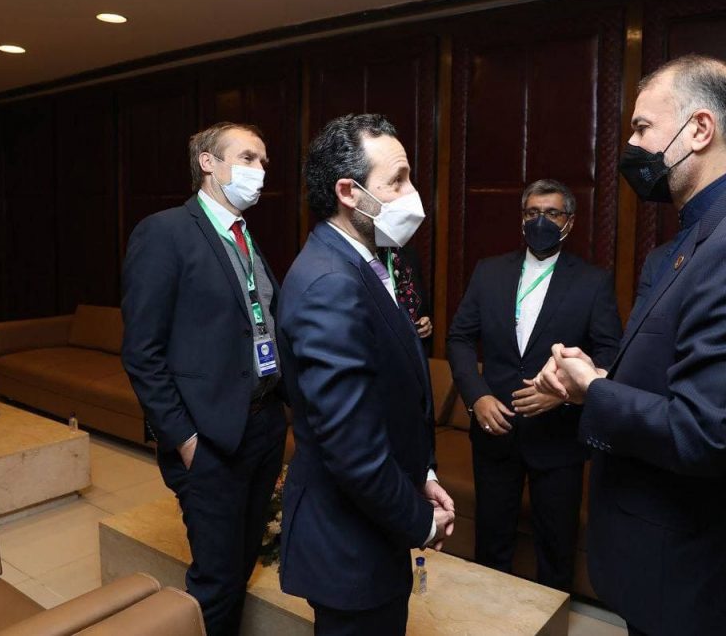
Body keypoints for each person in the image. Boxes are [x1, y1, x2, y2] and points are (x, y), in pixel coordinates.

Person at [534, 55, 726, 636]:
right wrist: (598, 376)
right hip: (674, 566)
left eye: (642, 127)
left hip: (705, 580)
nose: (631, 146)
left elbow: (701, 433)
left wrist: (594, 392)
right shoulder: (698, 237)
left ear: (700, 129)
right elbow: (676, 374)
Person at [276, 114, 454, 635]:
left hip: (372, 525)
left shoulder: (367, 263)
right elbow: (352, 447)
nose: (412, 194)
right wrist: (421, 522)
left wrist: (421, 476)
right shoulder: (331, 283)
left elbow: (390, 397)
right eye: (397, 181)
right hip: (348, 545)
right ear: (349, 193)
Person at [121, 122, 286, 636]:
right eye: (248, 157)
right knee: (216, 582)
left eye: (263, 161)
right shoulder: (165, 232)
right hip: (209, 440)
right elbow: (142, 352)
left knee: (241, 566)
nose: (260, 170)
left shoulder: (244, 235)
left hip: (263, 427)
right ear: (208, 162)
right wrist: (185, 440)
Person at [446, 178, 621, 590]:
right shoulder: (489, 272)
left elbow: (612, 353)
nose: (540, 220)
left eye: (552, 213)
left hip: (557, 438)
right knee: (492, 544)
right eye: (532, 213)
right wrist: (477, 397)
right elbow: (459, 338)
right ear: (522, 218)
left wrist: (565, 393)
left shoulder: (593, 282)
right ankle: (492, 618)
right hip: (495, 431)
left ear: (569, 222)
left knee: (556, 548)